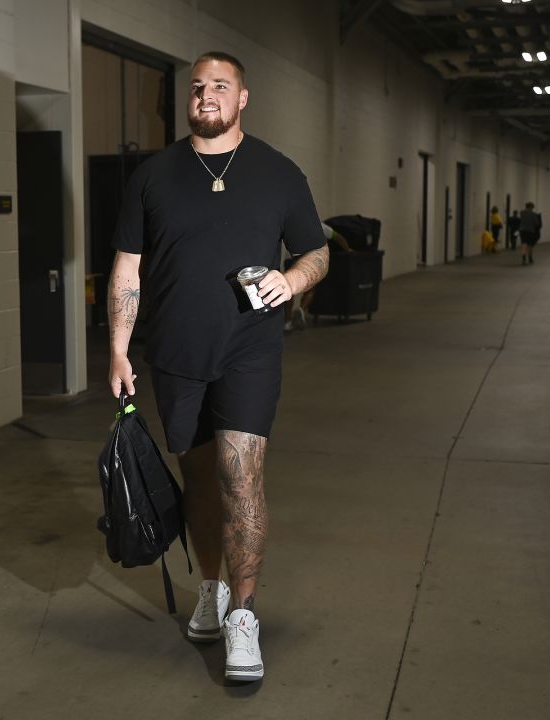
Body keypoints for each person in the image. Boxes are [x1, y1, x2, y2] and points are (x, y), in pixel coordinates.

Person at [107, 51, 330, 683]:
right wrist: (119, 348)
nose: (207, 95)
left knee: (242, 477)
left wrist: (291, 281)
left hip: (249, 350)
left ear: (243, 97)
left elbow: (316, 249)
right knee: (200, 482)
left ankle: (245, 617)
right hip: (175, 355)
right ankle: (212, 588)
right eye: (198, 87)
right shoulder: (152, 176)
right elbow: (129, 267)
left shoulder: (278, 173)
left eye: (221, 86)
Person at [284, 222, 350, 331]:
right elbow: (339, 238)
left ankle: (287, 322)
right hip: (307, 260)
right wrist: (348, 250)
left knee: (288, 290)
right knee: (311, 289)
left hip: (290, 258)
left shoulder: (293, 224)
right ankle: (301, 309)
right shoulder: (321, 226)